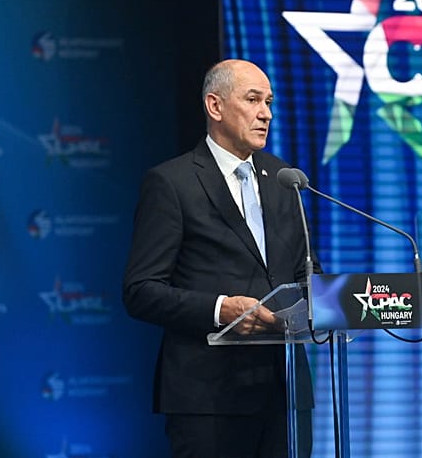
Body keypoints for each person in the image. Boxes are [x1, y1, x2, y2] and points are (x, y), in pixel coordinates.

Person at [122, 59, 319, 458]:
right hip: (208, 398)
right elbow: (141, 290)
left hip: (284, 395)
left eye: (269, 101)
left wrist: (326, 302)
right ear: (215, 106)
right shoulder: (172, 183)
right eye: (253, 100)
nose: (266, 113)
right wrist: (220, 309)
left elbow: (303, 273)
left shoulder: (284, 179)